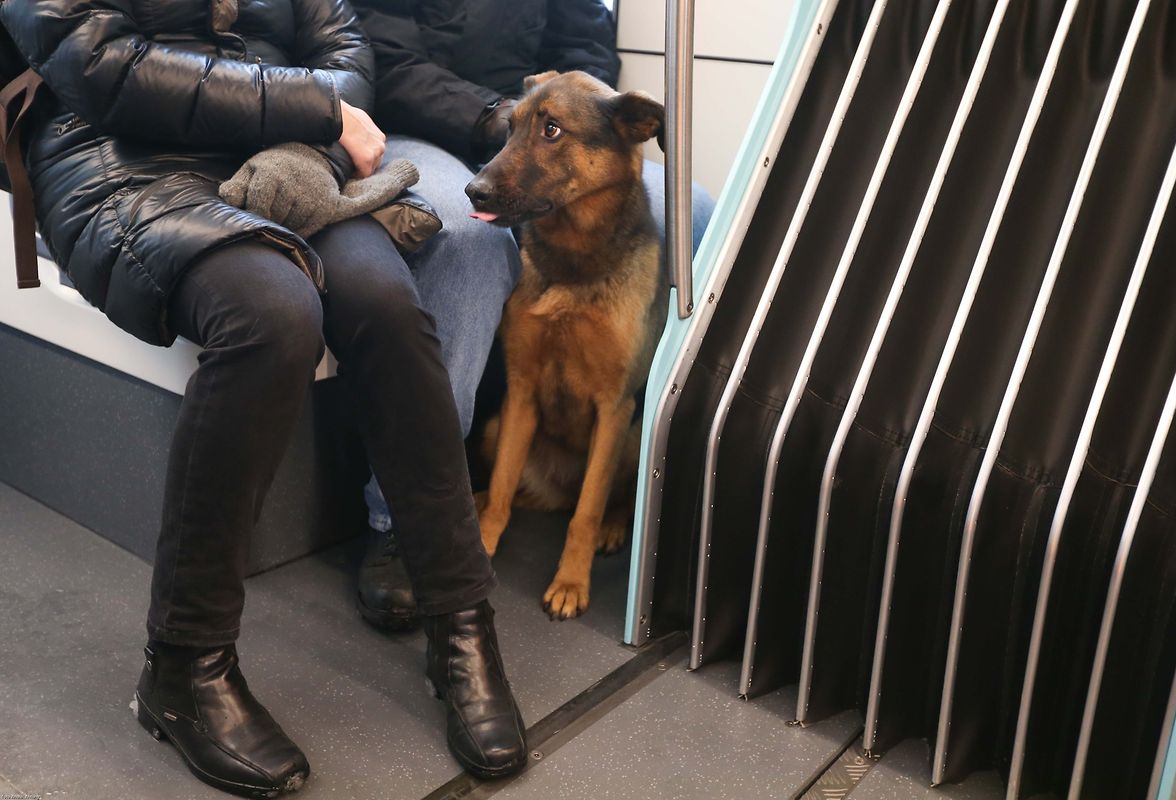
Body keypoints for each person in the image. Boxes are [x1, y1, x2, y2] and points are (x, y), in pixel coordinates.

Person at [0, 0, 528, 794]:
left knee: (386, 306)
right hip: (115, 150)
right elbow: (101, 66)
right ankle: (184, 664)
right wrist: (319, 105)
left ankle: (461, 626)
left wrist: (324, 111)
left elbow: (343, 44)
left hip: (274, 150)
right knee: (273, 315)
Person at [350, 0, 717, 630]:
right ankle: (403, 521)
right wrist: (501, 118)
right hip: (429, 127)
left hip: (543, 124)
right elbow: (388, 59)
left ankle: (657, 482)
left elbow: (584, 48)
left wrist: (565, 110)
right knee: (465, 241)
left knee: (695, 210)